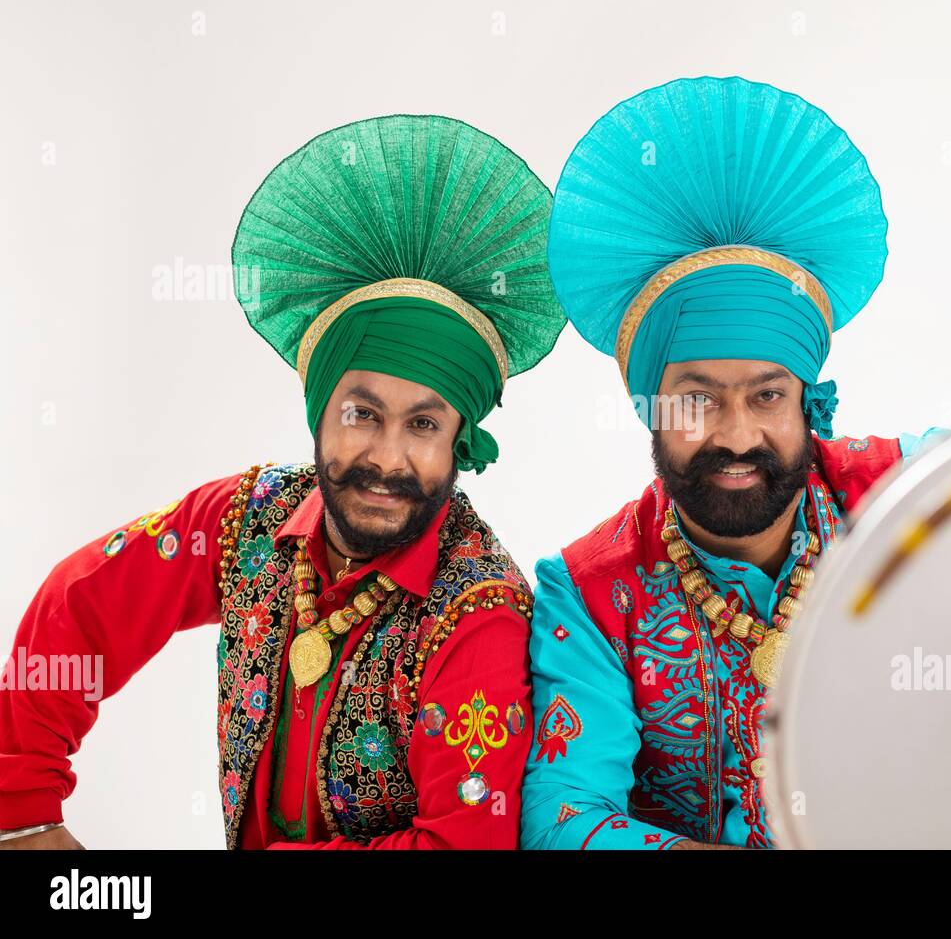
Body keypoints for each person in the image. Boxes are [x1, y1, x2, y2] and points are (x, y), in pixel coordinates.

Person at [0, 114, 565, 849]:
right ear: (318, 411)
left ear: (461, 438)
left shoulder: (479, 615)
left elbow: (462, 845)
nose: (387, 458)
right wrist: (22, 811)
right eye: (362, 413)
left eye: (424, 424)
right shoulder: (247, 519)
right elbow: (81, 607)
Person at [521, 76, 949, 849]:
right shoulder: (587, 594)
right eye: (697, 399)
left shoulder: (904, 491)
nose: (738, 435)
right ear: (651, 407)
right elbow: (562, 817)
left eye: (767, 395)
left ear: (809, 402)